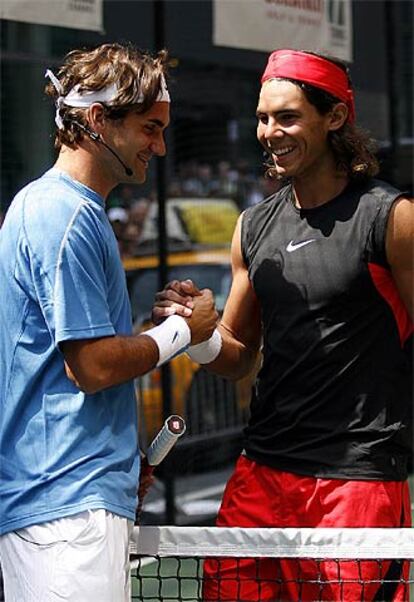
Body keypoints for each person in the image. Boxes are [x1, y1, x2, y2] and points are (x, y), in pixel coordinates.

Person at [152, 49, 413, 601]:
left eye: (288, 117)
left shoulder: (393, 218)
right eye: (264, 117)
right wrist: (197, 335)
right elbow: (241, 352)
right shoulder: (252, 226)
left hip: (357, 484)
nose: (270, 132)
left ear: (335, 117)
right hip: (260, 474)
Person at [0, 42, 218, 602]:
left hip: (68, 504)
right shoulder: (65, 214)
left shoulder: (65, 210)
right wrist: (180, 332)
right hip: (66, 512)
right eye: (149, 128)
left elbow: (74, 358)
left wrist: (150, 327)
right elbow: (92, 368)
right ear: (97, 120)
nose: (161, 146)